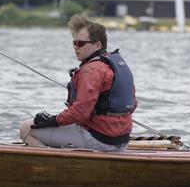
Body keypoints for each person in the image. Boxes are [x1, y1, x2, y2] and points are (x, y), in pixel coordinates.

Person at [19, 14, 136, 152]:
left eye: (80, 43)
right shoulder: (116, 65)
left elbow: (80, 113)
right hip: (121, 140)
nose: (76, 47)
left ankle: (55, 166)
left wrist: (51, 120)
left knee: (26, 128)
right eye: (74, 43)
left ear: (97, 44)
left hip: (99, 140)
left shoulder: (91, 70)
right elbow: (133, 105)